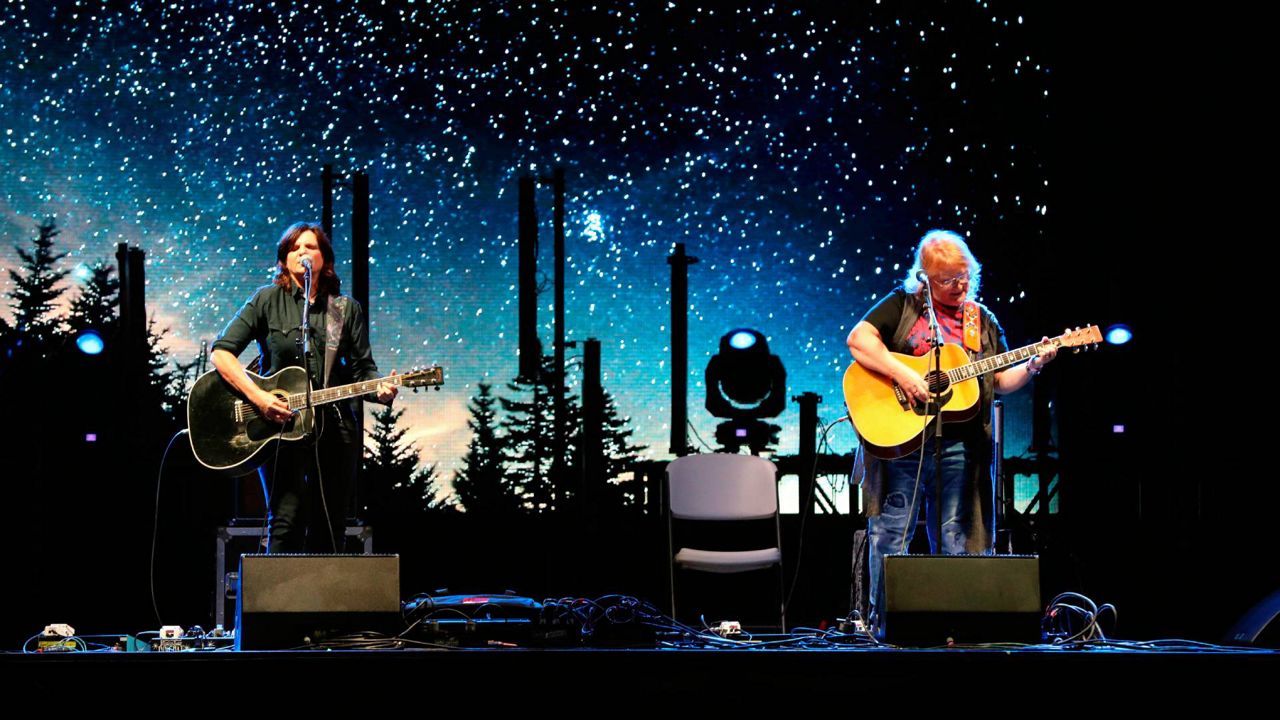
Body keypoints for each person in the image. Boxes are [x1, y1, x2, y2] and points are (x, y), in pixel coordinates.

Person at [846, 229, 1056, 633]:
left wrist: (1033, 365)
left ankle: (953, 626)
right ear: (924, 277)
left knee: (956, 535)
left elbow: (1000, 381)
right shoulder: (902, 305)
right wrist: (905, 376)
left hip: (961, 445)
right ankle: (882, 627)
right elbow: (859, 341)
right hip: (902, 443)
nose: (959, 286)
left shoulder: (981, 320)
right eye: (947, 279)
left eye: (964, 276)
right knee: (890, 534)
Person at [210, 221, 397, 553]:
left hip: (335, 428)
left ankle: (325, 602)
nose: (303, 253)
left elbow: (362, 370)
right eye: (294, 248)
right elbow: (222, 353)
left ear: (324, 259)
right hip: (278, 427)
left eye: (310, 247)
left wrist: (380, 391)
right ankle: (280, 603)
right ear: (283, 260)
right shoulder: (266, 300)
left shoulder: (345, 309)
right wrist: (259, 397)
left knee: (331, 521)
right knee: (286, 518)